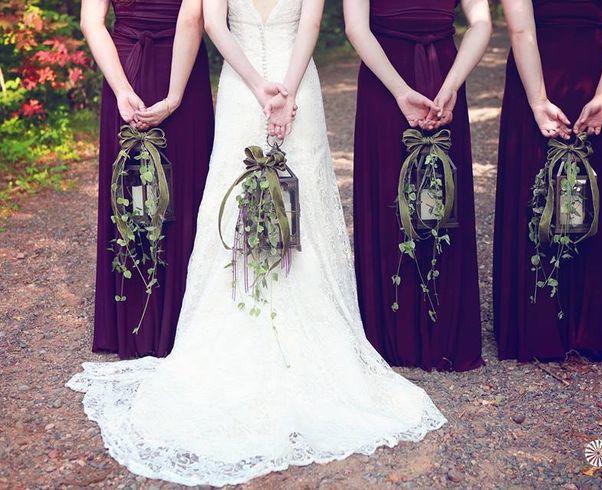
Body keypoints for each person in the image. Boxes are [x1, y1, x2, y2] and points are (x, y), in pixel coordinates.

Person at [68, 0, 445, 485]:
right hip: (291, 83)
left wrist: (256, 85)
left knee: (251, 195)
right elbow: (303, 22)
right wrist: (284, 92)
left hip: (244, 87)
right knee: (279, 194)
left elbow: (212, 24)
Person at [345, 0, 492, 372]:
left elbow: (481, 23)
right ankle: (412, 331)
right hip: (388, 76)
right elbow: (356, 28)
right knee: (390, 197)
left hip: (440, 72)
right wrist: (400, 90)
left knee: (443, 198)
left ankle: (421, 330)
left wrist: (452, 83)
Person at [493, 0, 602, 361]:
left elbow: (521, 29)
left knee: (536, 188)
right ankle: (594, 324)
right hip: (593, 72)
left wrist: (538, 100)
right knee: (593, 188)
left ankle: (536, 323)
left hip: (538, 71)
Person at [81, 0, 214, 358]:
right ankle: (180, 321)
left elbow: (92, 22)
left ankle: (133, 325)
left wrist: (122, 88)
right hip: (179, 70)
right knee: (181, 186)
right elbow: (192, 16)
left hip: (127, 66)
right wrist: (173, 99)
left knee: (133, 186)